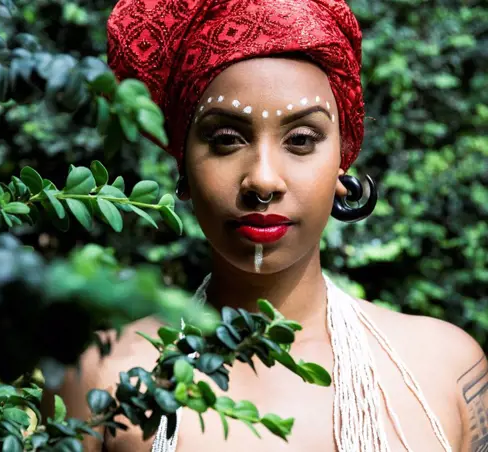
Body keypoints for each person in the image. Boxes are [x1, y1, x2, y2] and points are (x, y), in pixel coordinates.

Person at [50, 0, 488, 450]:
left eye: (301, 140)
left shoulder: (446, 371)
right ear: (183, 164)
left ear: (343, 163)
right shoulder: (99, 377)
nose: (262, 178)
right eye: (225, 140)